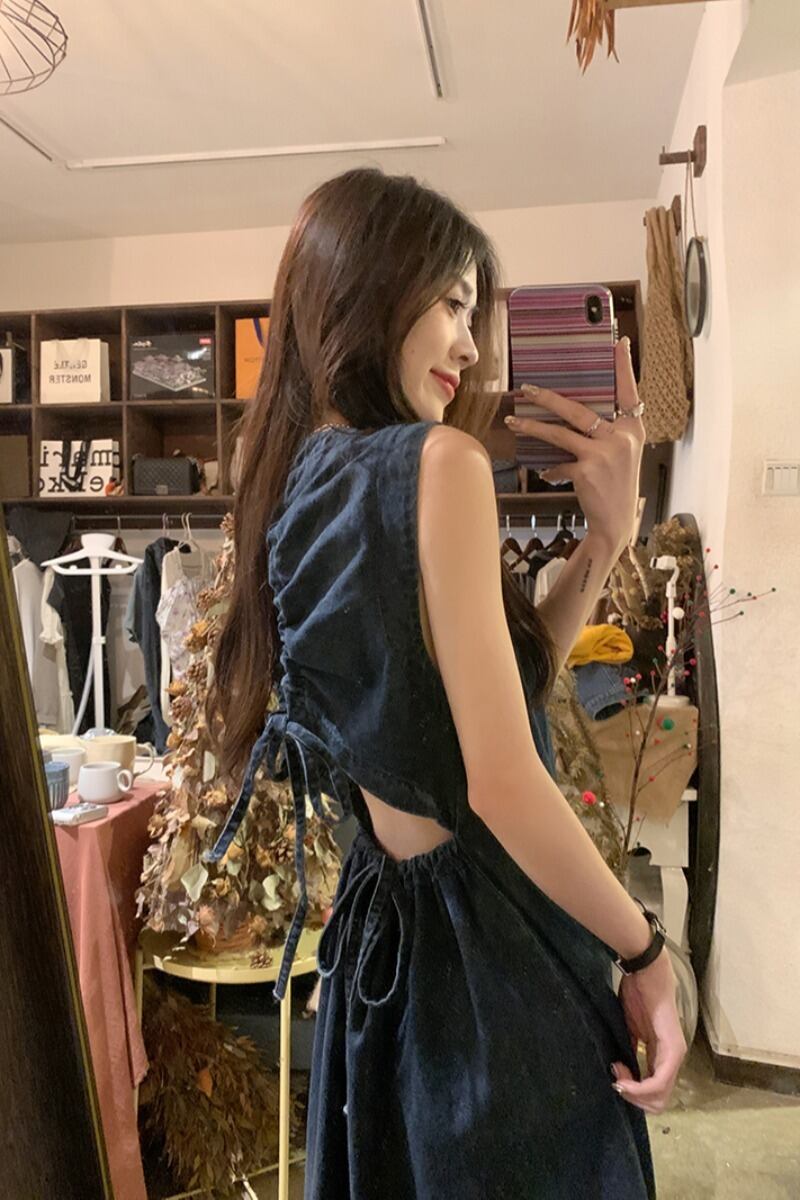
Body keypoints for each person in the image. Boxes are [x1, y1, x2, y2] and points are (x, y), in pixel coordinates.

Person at [208, 167, 686, 1199]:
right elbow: (500, 781)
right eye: (453, 304)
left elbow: (469, 710)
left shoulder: (290, 479)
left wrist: (603, 543)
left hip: (385, 944)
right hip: (488, 952)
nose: (471, 347)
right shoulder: (438, 465)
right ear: (368, 288)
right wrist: (647, 952)